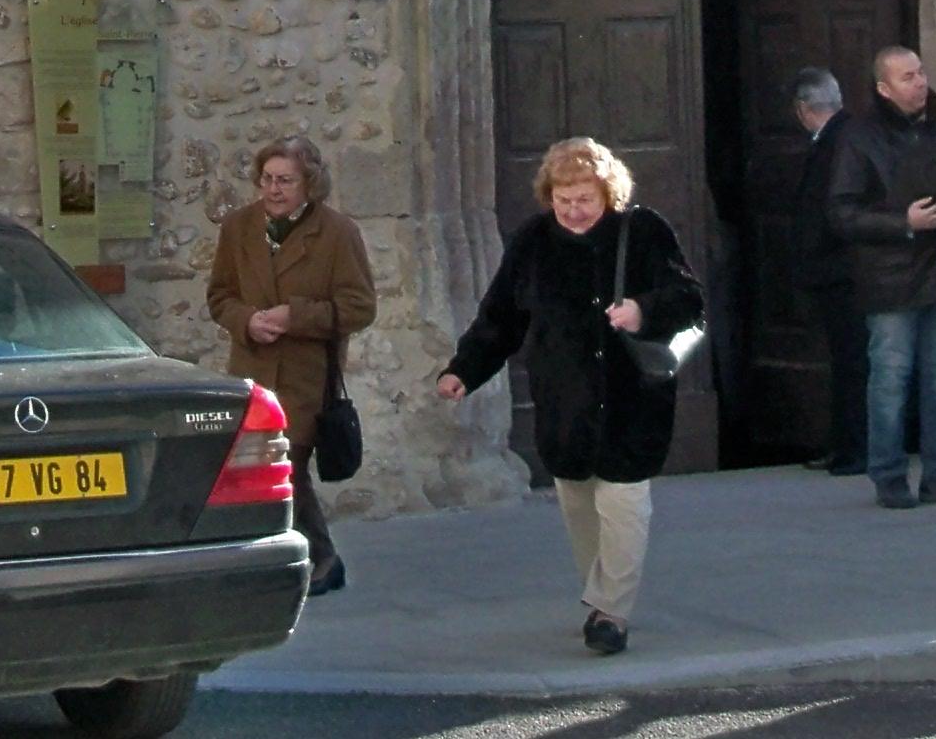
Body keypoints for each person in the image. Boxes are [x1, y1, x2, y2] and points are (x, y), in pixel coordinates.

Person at [437, 137, 707, 657]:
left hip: (631, 398)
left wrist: (642, 310)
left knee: (625, 503)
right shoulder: (534, 240)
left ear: (608, 193)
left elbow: (689, 299)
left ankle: (612, 611)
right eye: (564, 200)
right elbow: (501, 318)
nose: (574, 211)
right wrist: (463, 372)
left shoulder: (643, 230)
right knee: (579, 504)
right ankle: (601, 598)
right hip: (565, 398)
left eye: (584, 199)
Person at [208, 135, 377, 597]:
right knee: (258, 468)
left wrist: (295, 316)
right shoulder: (240, 228)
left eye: (285, 180)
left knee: (287, 465)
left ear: (309, 183)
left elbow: (359, 307)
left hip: (306, 374)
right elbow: (220, 296)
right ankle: (296, 556)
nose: (274, 190)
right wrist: (247, 321)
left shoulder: (337, 233)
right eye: (267, 179)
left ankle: (319, 557)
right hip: (253, 369)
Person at [824, 45, 936, 509]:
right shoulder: (860, 137)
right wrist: (902, 223)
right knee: (891, 377)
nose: (919, 83)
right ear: (883, 88)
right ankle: (889, 473)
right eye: (907, 77)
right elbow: (840, 212)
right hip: (890, 277)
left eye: (921, 73)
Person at [789, 69, 877, 476]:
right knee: (847, 360)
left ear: (804, 109)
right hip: (842, 269)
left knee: (851, 361)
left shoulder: (841, 141)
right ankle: (847, 446)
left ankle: (853, 450)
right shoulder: (847, 135)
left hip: (842, 271)